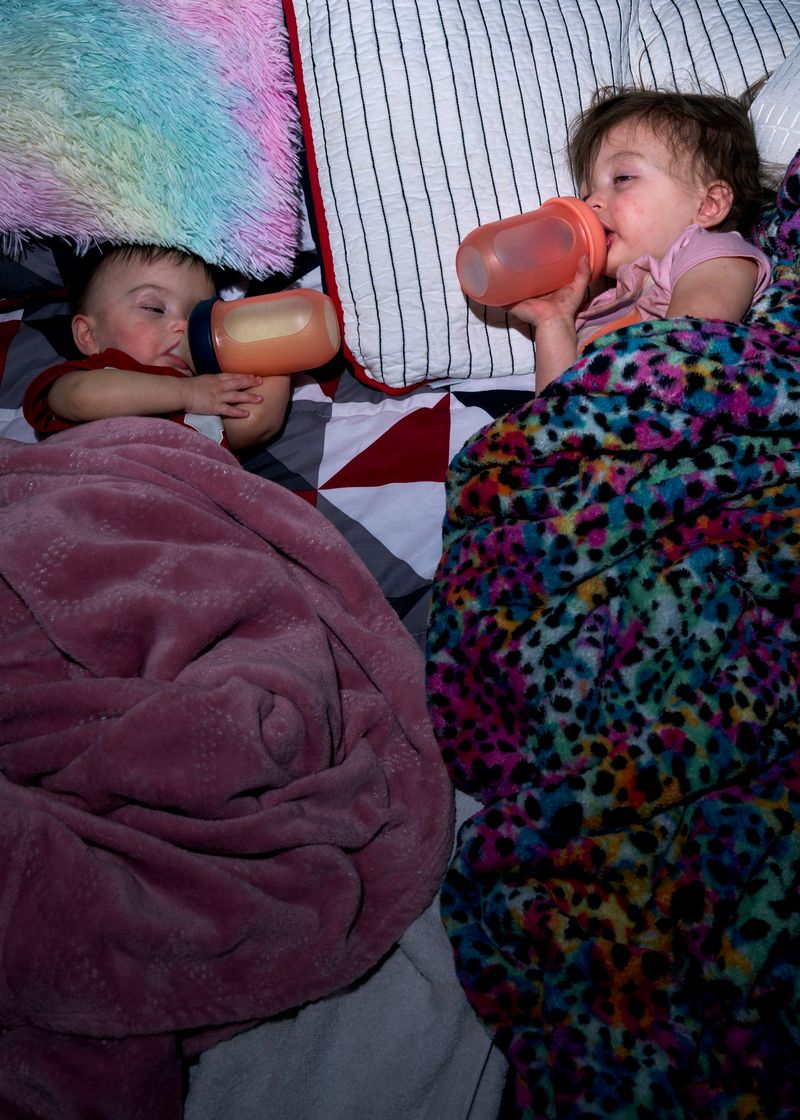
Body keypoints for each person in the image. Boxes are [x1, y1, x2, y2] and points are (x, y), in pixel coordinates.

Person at [510, 87, 773, 393]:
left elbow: (687, 357)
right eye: (586, 193)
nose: (590, 203)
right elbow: (549, 418)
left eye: (622, 179)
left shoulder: (715, 254)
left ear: (708, 205)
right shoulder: (604, 306)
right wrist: (555, 323)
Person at [22, 244, 292, 452]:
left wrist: (273, 343)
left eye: (200, 317)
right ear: (88, 335)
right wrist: (186, 393)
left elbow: (256, 423)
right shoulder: (90, 375)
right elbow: (80, 398)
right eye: (154, 309)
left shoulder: (207, 392)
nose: (184, 327)